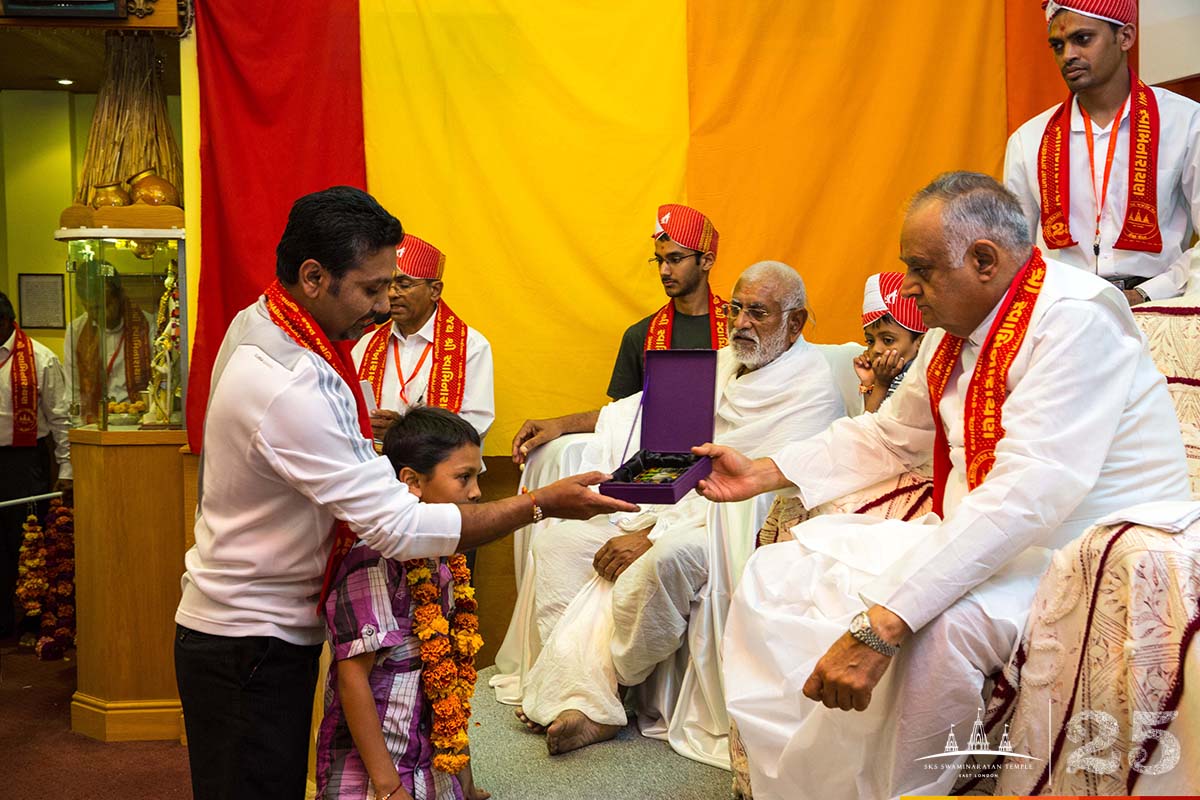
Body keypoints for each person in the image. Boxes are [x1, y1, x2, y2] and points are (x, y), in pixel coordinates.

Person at [694, 172, 1189, 799]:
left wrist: (884, 622)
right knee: (783, 572)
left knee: (936, 632)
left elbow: (1030, 494)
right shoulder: (951, 333)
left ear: (984, 260)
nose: (906, 287)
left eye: (921, 268)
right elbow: (889, 437)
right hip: (985, 532)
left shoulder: (1074, 320)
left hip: (1088, 552)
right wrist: (765, 470)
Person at [173, 186, 636, 800]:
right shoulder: (289, 381)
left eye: (393, 286)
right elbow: (400, 528)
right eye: (370, 288)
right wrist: (541, 504)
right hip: (248, 637)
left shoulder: (266, 323)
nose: (382, 304)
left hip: (262, 627)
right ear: (313, 276)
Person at [510, 261, 845, 757]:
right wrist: (562, 423)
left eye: (758, 312)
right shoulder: (725, 364)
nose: (741, 324)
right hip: (672, 506)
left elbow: (762, 494)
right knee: (558, 540)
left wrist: (650, 536)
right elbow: (639, 408)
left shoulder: (813, 389)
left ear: (795, 323)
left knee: (665, 559)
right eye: (735, 310)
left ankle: (603, 696)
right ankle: (581, 693)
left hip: (733, 526)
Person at [316, 407, 489, 800]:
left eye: (478, 476)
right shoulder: (374, 559)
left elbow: (447, 685)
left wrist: (464, 782)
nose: (477, 491)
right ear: (411, 480)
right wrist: (389, 788)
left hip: (428, 758)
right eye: (464, 477)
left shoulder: (445, 558)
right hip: (373, 768)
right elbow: (353, 678)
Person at [1003, 0, 1200, 304]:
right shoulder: (1028, 140)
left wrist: (1147, 293)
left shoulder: (1185, 122)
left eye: (1082, 39)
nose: (1068, 55)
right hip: (1060, 312)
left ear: (1125, 37)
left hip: (1157, 305)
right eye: (1058, 45)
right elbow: (1013, 254)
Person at [352, 234, 494, 445]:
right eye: (386, 284)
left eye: (404, 284)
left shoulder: (470, 346)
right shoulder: (366, 345)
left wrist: (403, 432)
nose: (391, 293)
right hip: (373, 464)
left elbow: (476, 423)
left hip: (440, 467)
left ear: (435, 290)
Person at [0, 292, 72, 639]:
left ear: (6, 322)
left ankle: (31, 616)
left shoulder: (40, 358)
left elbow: (61, 419)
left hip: (24, 458)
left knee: (25, 537)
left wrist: (67, 469)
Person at [606, 204, 728, 400]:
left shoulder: (740, 329)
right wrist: (562, 425)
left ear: (707, 261)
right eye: (659, 260)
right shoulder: (639, 336)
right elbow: (618, 418)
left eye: (675, 259)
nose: (664, 270)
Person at [62, 268, 156, 422]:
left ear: (120, 296)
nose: (101, 315)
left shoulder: (147, 325)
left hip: (138, 421)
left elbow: (159, 383)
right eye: (93, 308)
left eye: (105, 306)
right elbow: (72, 389)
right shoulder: (76, 331)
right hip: (95, 423)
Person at [853, 271, 927, 413]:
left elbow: (874, 429)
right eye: (870, 340)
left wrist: (881, 384)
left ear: (921, 342)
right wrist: (870, 383)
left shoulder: (917, 381)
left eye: (888, 340)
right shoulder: (890, 375)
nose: (876, 349)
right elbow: (867, 426)